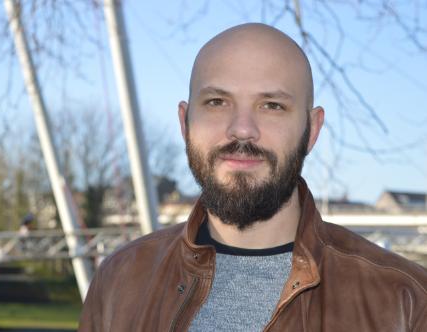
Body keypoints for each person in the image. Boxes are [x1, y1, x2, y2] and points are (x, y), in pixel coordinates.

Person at [78, 23, 427, 331]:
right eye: (217, 101)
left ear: (312, 129)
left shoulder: (406, 300)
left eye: (272, 105)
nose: (242, 129)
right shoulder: (119, 280)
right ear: (185, 123)